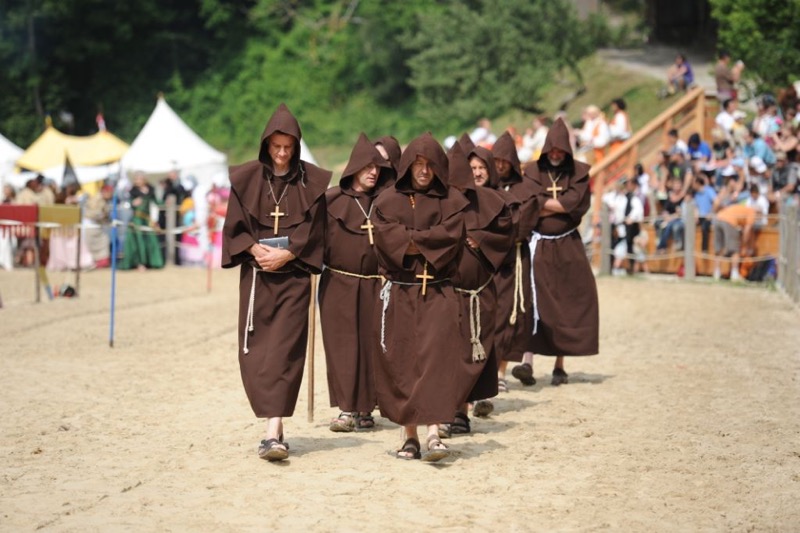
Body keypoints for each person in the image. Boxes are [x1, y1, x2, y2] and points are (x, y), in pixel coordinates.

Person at [222, 103, 331, 462]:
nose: (282, 154)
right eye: (276, 147)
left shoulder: (309, 182)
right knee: (255, 354)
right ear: (266, 145)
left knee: (284, 353)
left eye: (288, 147)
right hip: (256, 279)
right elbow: (236, 227)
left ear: (296, 146)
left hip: (294, 279)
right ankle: (274, 423)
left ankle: (272, 432)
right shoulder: (246, 179)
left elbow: (315, 230)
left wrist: (288, 254)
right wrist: (255, 249)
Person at [371, 132, 469, 462]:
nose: (424, 171)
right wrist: (426, 241)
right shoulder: (387, 201)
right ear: (407, 167)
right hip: (401, 291)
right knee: (403, 362)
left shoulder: (452, 201)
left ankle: (433, 433)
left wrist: (412, 241)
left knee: (436, 361)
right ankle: (409, 436)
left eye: (429, 165)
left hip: (439, 291)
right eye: (417, 164)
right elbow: (386, 238)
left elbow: (451, 238)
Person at [319, 133, 391, 433]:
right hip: (339, 283)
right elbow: (313, 238)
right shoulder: (332, 200)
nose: (374, 172)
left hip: (375, 283)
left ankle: (366, 408)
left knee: (372, 347)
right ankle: (347, 409)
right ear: (356, 167)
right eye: (368, 167)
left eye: (378, 168)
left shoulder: (386, 201)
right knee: (343, 348)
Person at [441, 143, 513, 435]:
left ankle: (462, 409)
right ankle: (449, 412)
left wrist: (477, 238)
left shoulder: (491, 203)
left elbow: (505, 236)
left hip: (478, 292)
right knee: (446, 355)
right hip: (444, 293)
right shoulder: (437, 204)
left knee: (473, 355)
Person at [522, 117, 599, 385]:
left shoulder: (577, 173)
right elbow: (528, 201)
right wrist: (557, 203)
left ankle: (559, 364)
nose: (555, 155)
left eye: (560, 150)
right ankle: (527, 361)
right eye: (551, 150)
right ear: (546, 150)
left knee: (566, 300)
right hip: (538, 244)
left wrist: (545, 203)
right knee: (533, 300)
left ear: (566, 151)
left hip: (567, 245)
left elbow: (574, 203)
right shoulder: (532, 171)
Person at [491, 132, 538, 390]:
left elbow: (524, 226)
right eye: (495, 160)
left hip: (515, 259)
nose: (499, 166)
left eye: (504, 161)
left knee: (511, 314)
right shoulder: (486, 189)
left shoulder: (525, 191)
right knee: (491, 314)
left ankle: (500, 372)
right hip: (489, 261)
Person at [119, 171, 164, 271]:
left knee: (150, 239)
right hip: (136, 219)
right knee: (139, 241)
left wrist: (165, 203)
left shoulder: (150, 190)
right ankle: (140, 263)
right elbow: (129, 203)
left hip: (146, 219)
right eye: (136, 179)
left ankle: (152, 262)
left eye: (139, 179)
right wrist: (133, 203)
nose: (137, 181)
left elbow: (156, 201)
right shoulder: (133, 191)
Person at [712, 203, 756, 281]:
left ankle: (716, 273)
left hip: (718, 219)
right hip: (730, 221)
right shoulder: (752, 212)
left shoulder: (741, 208)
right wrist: (744, 245)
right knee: (735, 250)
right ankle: (734, 274)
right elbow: (747, 230)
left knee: (719, 249)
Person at [84, 185, 114, 268]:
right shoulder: (96, 200)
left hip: (99, 227)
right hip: (91, 226)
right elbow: (92, 213)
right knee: (90, 246)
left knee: (104, 243)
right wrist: (102, 215)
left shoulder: (105, 201)